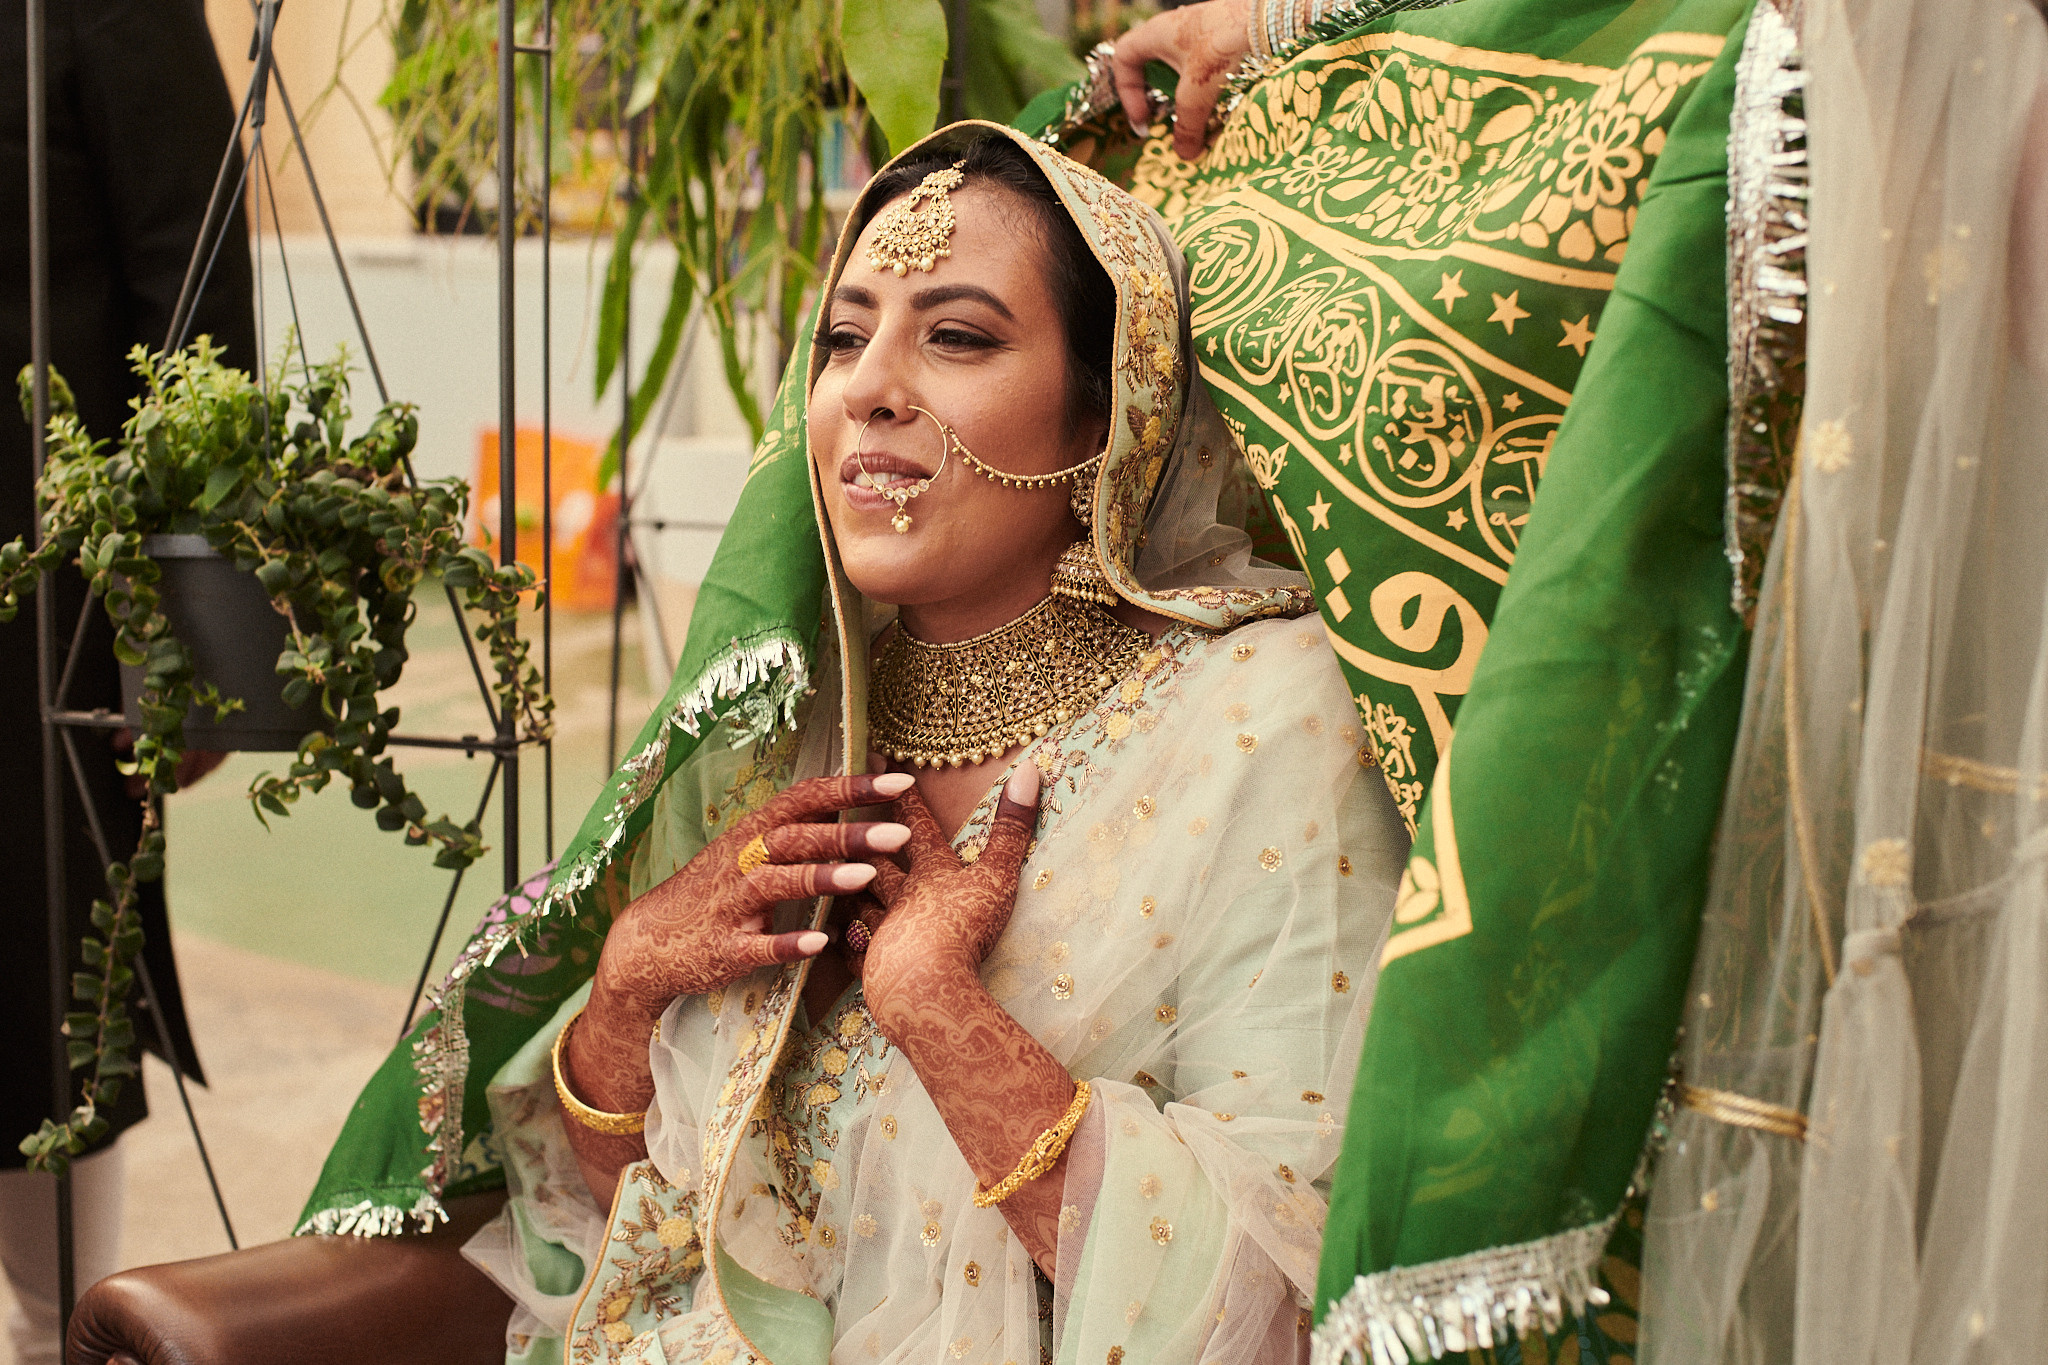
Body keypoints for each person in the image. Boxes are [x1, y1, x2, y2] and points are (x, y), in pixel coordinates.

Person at [288, 125, 1407, 1365]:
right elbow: (644, 1252)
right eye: (842, 336)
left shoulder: (1267, 714)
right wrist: (624, 988)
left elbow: (1290, 1310)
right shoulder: (802, 712)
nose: (868, 387)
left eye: (958, 335)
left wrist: (937, 1010)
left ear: (1114, 411)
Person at [0, 0, 252, 1359]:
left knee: (43, 976)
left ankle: (55, 1333)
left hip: (44, 590)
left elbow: (194, 282)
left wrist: (196, 633)